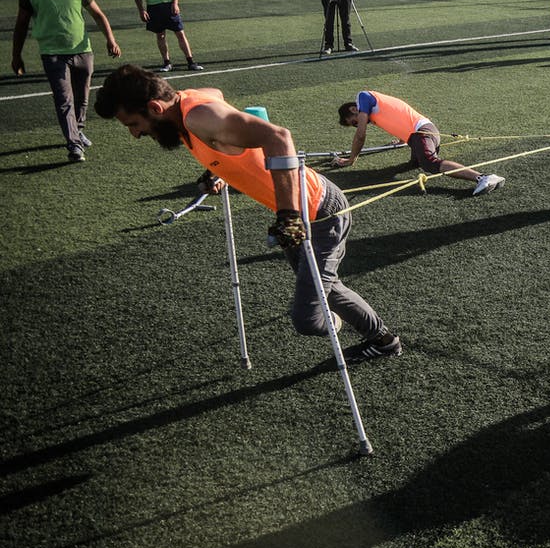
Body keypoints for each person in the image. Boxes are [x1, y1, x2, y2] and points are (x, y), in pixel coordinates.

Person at [94, 65, 403, 358]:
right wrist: (220, 168)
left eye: (134, 125)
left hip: (320, 213)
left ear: (155, 108)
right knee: (326, 289)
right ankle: (383, 340)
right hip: (301, 213)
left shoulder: (199, 117)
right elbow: (214, 91)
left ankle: (339, 322)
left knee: (308, 318)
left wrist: (288, 216)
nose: (135, 134)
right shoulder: (187, 104)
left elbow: (278, 137)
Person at [12, 0, 122, 163]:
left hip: (83, 51)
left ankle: (78, 131)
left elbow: (98, 14)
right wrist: (17, 55)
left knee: (82, 100)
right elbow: (21, 26)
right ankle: (74, 145)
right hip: (53, 55)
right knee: (64, 100)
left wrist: (111, 39)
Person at [332, 91, 505, 196]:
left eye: (353, 121)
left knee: (429, 162)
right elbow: (396, 114)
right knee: (415, 163)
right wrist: (402, 139)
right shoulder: (372, 108)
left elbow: (360, 136)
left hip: (421, 132)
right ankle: (482, 177)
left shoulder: (363, 98)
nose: (358, 124)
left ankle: (483, 177)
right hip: (419, 134)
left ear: (354, 109)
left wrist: (351, 159)